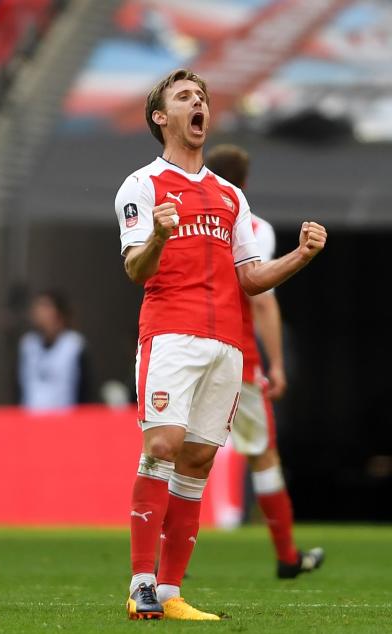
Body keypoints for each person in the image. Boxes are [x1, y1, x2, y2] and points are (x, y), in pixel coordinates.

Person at [114, 69, 327, 620]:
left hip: (226, 344)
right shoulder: (141, 186)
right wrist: (160, 234)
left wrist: (301, 255)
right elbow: (136, 269)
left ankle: (170, 593)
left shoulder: (230, 196)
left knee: (200, 460)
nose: (198, 102)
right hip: (170, 335)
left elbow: (251, 277)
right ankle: (140, 584)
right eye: (184, 97)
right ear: (162, 118)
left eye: (202, 96)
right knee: (162, 445)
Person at [205, 143, 324, 579]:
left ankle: (158, 568)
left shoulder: (184, 222)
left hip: (191, 347)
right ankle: (287, 555)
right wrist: (277, 364)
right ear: (246, 183)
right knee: (263, 455)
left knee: (177, 455)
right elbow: (263, 302)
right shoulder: (256, 227)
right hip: (239, 354)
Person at [18, 291, 89, 410]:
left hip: (64, 421)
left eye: (45, 307)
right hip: (30, 421)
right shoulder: (27, 346)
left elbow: (84, 391)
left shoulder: (74, 346)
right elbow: (19, 388)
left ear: (59, 315)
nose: (39, 313)